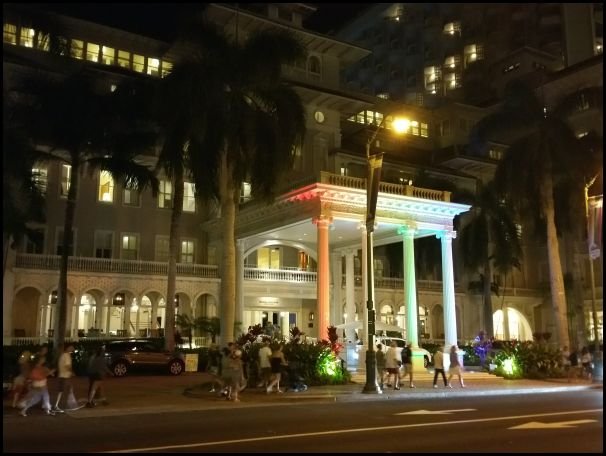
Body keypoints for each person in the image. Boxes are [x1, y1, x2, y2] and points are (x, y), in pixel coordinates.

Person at [53, 343, 76, 413]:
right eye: (71, 347)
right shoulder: (66, 355)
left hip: (63, 375)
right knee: (62, 391)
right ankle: (57, 406)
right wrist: (72, 372)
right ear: (67, 348)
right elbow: (67, 366)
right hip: (64, 376)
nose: (73, 349)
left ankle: (62, 404)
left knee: (66, 390)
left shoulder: (63, 355)